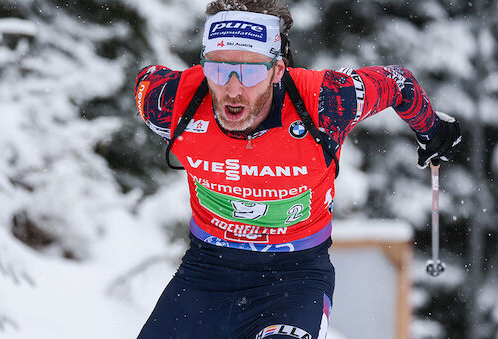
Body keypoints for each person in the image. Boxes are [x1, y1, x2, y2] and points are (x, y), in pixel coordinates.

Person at [134, 1, 461, 338]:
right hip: (204, 276)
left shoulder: (325, 102)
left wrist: (432, 130)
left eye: (249, 72)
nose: (232, 89)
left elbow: (397, 83)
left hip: (294, 279)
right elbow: (142, 79)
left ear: (277, 70)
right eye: (217, 69)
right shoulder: (171, 102)